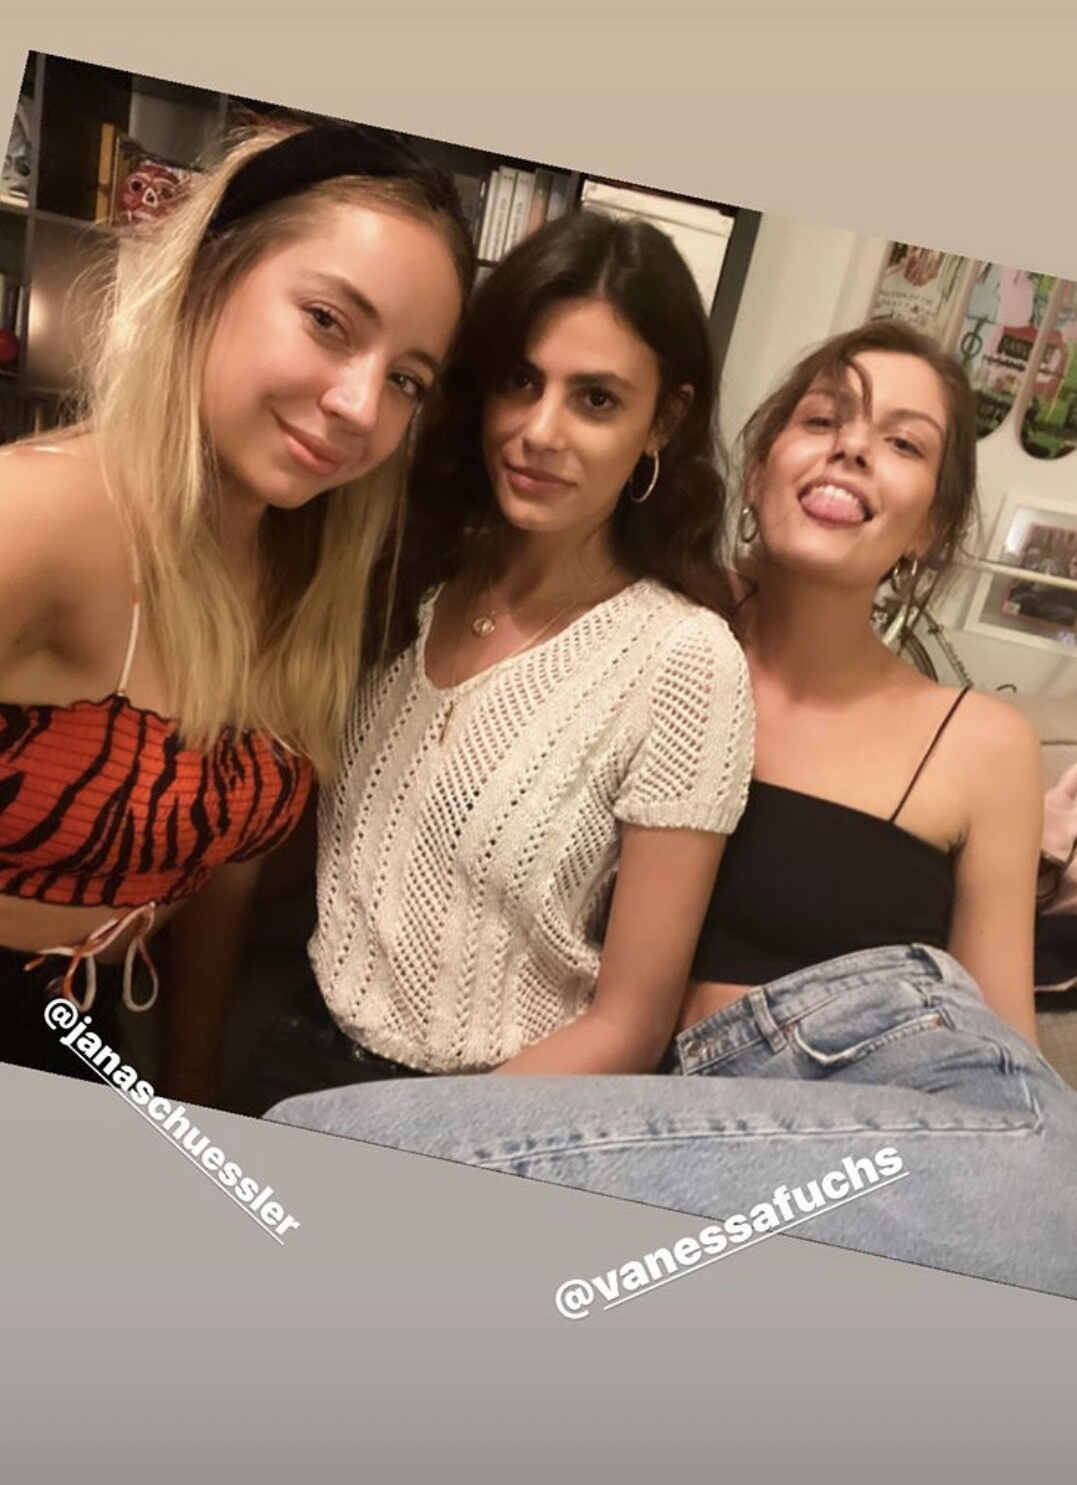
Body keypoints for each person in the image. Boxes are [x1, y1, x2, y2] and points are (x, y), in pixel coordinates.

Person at [268, 321, 1077, 1300]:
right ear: (759, 465)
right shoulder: (632, 637)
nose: (852, 448)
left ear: (931, 528)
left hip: (860, 1140)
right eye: (822, 419)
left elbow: (1003, 1072)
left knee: (1042, 1163)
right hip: (626, 1131)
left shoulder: (980, 741)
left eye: (903, 443)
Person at [231, 210, 753, 1114]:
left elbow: (631, 1024)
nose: (539, 431)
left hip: (490, 1113)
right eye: (520, 381)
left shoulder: (684, 661)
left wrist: (412, 1138)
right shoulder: (402, 572)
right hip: (295, 1044)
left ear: (662, 421)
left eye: (596, 399)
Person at [0, 121, 473, 1094]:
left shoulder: (294, 567)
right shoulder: (45, 513)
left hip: (90, 1014)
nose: (361, 407)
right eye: (329, 322)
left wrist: (193, 1079)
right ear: (211, 273)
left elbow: (222, 862)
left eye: (406, 380)